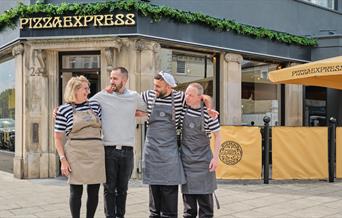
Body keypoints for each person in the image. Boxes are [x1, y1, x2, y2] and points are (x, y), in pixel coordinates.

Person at [141, 71, 216, 218]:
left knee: (169, 190)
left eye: (158, 86)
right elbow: (131, 102)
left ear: (169, 87)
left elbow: (203, 96)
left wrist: (209, 108)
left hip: (170, 152)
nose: (155, 88)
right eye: (154, 85)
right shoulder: (148, 95)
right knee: (154, 191)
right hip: (152, 151)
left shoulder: (180, 97)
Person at [92, 67, 146, 218]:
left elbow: (146, 110)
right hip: (108, 150)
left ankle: (120, 215)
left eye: (115, 78)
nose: (111, 81)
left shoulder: (134, 96)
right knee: (109, 188)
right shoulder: (102, 96)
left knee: (123, 189)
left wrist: (134, 113)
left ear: (125, 80)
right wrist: (59, 109)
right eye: (110, 78)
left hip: (128, 151)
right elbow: (83, 105)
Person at [54, 75, 106, 218]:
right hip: (75, 153)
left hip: (96, 152)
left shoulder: (95, 106)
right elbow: (58, 138)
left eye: (88, 88)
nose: (88, 91)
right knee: (76, 191)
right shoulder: (63, 110)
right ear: (75, 90)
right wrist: (63, 159)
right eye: (85, 88)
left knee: (94, 190)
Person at [180, 83, 221, 218]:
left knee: (206, 208)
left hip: (204, 163)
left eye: (190, 95)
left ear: (199, 97)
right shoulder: (182, 110)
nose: (187, 97)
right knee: (188, 209)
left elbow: (218, 136)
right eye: (186, 94)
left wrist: (215, 158)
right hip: (186, 163)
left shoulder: (209, 114)